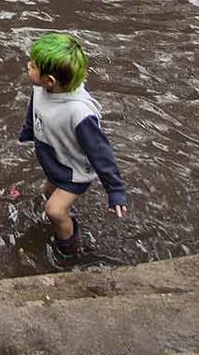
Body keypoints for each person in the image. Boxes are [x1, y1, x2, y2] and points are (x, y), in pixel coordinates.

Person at [17, 32, 129, 260]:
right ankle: (65, 221)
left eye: (33, 65)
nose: (28, 65)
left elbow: (100, 152)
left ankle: (68, 248)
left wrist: (115, 190)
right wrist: (29, 130)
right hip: (54, 160)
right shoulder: (41, 88)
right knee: (49, 194)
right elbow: (35, 108)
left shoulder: (79, 114)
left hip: (73, 171)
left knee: (54, 210)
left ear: (50, 80)